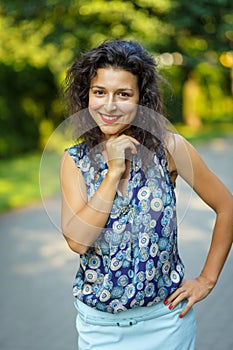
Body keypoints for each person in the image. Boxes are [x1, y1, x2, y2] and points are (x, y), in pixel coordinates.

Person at [60, 39, 233, 350]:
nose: (109, 105)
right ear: (86, 95)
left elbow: (226, 206)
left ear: (142, 99)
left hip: (166, 322)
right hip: (100, 329)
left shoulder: (169, 147)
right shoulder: (74, 161)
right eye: (99, 92)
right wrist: (113, 171)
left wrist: (207, 279)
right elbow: (77, 240)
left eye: (123, 94)